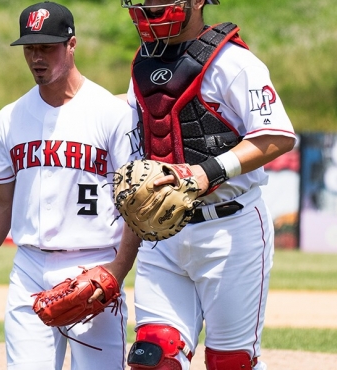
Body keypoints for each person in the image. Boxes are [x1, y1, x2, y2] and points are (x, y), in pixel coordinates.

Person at [112, 0, 297, 369]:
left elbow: (277, 136)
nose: (150, 6)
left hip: (231, 229)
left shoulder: (234, 63)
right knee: (153, 357)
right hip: (162, 233)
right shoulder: (144, 65)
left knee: (231, 361)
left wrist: (206, 172)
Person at [0, 2, 140, 369]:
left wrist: (116, 272)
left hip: (95, 265)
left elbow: (136, 205)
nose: (37, 57)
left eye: (47, 47)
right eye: (30, 48)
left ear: (71, 45)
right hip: (29, 267)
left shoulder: (112, 114)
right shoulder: (9, 118)